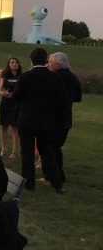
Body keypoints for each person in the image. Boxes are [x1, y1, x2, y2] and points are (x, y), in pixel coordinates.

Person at [13, 47, 64, 193]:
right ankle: (56, 182)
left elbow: (16, 98)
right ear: (46, 59)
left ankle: (29, 184)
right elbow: (60, 100)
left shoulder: (25, 77)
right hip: (46, 120)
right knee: (47, 151)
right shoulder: (54, 77)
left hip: (27, 119)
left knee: (27, 152)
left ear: (31, 59)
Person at [47, 52, 82, 184]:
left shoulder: (53, 77)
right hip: (66, 118)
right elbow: (78, 98)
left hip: (52, 117)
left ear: (57, 64)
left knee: (50, 148)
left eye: (50, 62)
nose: (48, 64)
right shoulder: (74, 78)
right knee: (56, 147)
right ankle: (57, 175)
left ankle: (54, 176)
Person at [0, 57, 22, 159]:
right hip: (6, 104)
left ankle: (15, 152)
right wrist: (4, 93)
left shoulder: (21, 76)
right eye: (12, 62)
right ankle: (3, 149)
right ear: (8, 65)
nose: (14, 64)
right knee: (4, 127)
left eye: (16, 62)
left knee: (15, 128)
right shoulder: (4, 76)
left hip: (16, 104)